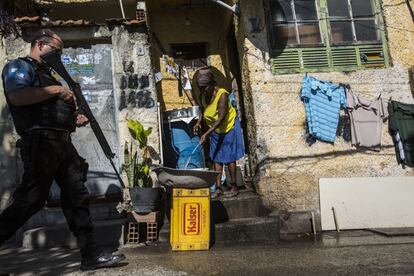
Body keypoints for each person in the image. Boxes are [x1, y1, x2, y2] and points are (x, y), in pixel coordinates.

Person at [0, 29, 125, 270]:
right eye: (56, 50)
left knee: (76, 196)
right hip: (41, 143)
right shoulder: (19, 67)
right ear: (39, 44)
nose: (59, 55)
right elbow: (17, 97)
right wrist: (58, 90)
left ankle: (91, 255)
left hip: (61, 143)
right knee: (31, 201)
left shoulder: (48, 74)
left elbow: (50, 111)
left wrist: (73, 119)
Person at [193, 67, 244, 198]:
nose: (202, 90)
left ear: (212, 85)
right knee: (216, 157)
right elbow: (203, 111)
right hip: (214, 129)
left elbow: (221, 118)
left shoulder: (222, 95)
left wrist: (206, 134)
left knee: (229, 157)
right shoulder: (202, 95)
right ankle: (218, 187)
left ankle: (233, 186)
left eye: (205, 87)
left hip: (228, 127)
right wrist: (199, 122)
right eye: (200, 87)